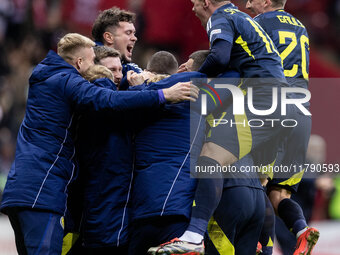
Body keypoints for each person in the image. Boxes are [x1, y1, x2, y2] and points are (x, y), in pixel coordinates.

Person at [0, 33, 198, 254]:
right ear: (80, 63)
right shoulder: (67, 80)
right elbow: (107, 100)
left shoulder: (45, 77)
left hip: (21, 190)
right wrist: (163, 94)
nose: (112, 74)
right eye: (95, 61)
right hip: (43, 194)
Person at [150, 0, 299, 254]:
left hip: (262, 98)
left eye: (195, 3)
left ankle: (194, 234)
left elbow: (219, 58)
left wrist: (192, 80)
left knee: (210, 159)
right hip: (280, 101)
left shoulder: (221, 16)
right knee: (259, 178)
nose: (194, 8)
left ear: (207, 2)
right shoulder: (243, 19)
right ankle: (265, 239)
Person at [129, 50, 241, 255]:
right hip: (176, 208)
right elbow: (234, 73)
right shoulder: (196, 93)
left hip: (138, 209)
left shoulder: (138, 97)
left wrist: (142, 86)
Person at [246, 1, 318, 254]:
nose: (247, 3)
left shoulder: (257, 24)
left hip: (271, 109)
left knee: (251, 182)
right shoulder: (301, 27)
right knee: (280, 194)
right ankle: (301, 229)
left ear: (265, 1)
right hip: (301, 112)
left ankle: (252, 239)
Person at [92, 7, 143, 89]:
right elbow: (107, 99)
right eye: (128, 33)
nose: (134, 38)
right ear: (109, 37)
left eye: (133, 33)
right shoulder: (86, 63)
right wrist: (139, 88)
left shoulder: (128, 67)